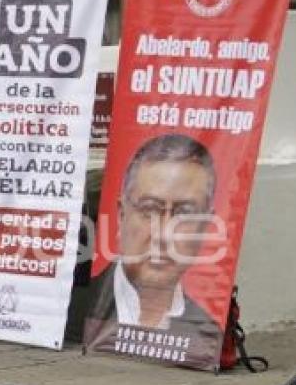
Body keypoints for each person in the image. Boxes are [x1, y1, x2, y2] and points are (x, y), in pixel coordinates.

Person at [84, 135, 223, 358]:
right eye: (149, 210)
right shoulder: (75, 312)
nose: (164, 233)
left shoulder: (207, 335)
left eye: (184, 213)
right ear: (121, 216)